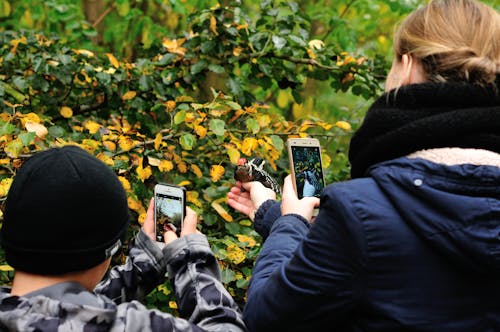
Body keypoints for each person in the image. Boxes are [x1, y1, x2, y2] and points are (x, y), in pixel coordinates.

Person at [228, 0, 500, 330]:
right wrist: (276, 215)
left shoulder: (357, 212)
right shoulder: (362, 216)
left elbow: (266, 318)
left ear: (408, 66)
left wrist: (291, 223)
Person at [0, 146, 246, 331]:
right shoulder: (133, 326)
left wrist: (144, 265)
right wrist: (191, 260)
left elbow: (60, 312)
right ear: (106, 252)